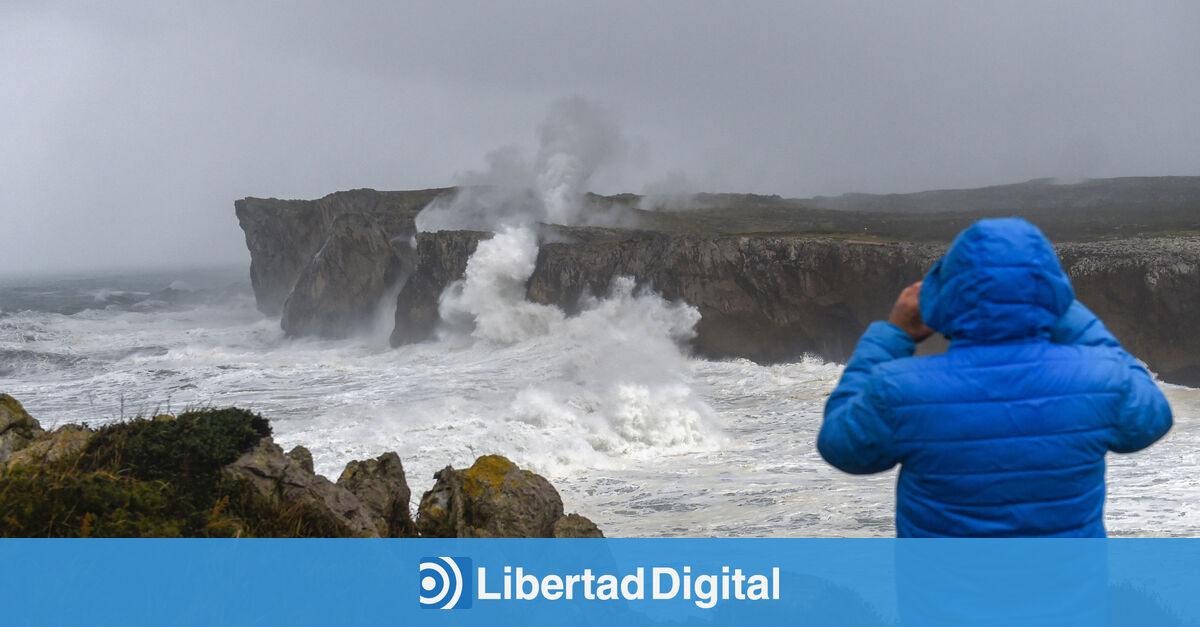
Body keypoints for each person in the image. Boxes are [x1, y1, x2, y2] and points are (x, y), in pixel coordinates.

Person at [818, 217, 1173, 537]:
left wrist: (891, 335)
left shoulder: (898, 389)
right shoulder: (1103, 381)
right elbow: (1152, 417)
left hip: (940, 609)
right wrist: (1062, 311)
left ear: (943, 298)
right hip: (1071, 608)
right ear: (1055, 292)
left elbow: (840, 444)